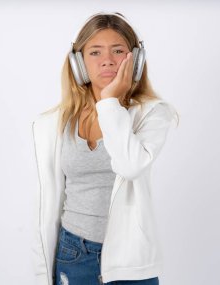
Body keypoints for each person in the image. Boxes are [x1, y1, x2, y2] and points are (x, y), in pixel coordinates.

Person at [31, 11, 179, 285]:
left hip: (130, 260)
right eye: (95, 52)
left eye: (118, 50)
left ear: (136, 60)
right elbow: (46, 203)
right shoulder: (55, 123)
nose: (108, 60)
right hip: (73, 253)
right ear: (79, 63)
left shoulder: (151, 115)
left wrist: (109, 101)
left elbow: (130, 166)